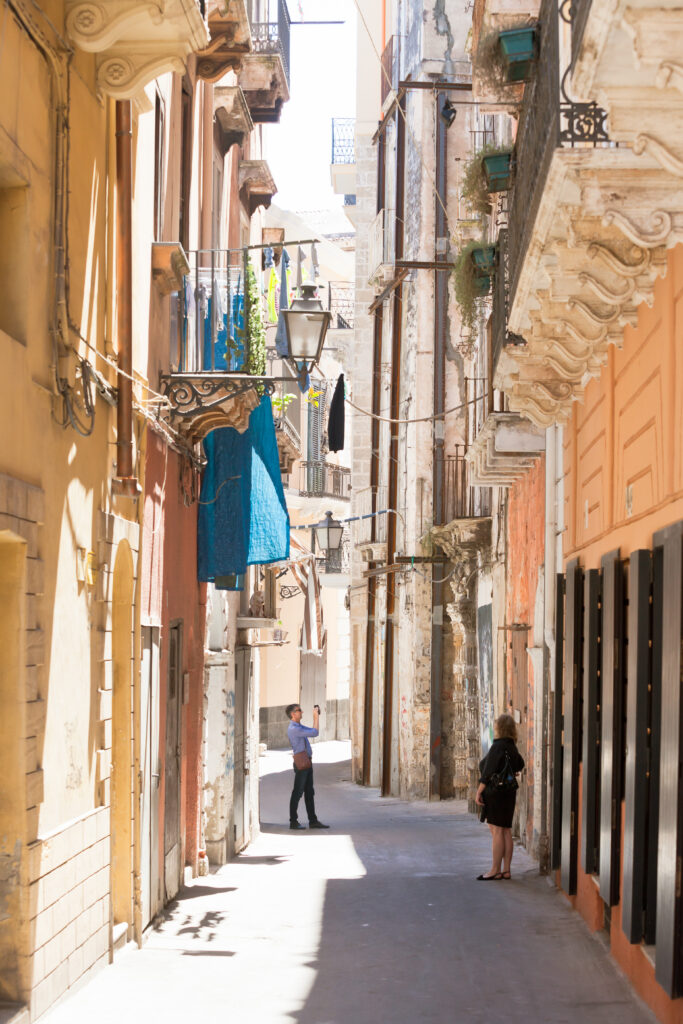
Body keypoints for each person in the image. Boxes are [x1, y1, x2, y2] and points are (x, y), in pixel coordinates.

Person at [475, 713, 525, 880]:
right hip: (509, 792)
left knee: (497, 831)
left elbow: (488, 772)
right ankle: (506, 870)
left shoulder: (497, 746)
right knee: (505, 830)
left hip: (495, 793)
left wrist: (479, 791)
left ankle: (495, 869)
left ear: (499, 728)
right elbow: (520, 763)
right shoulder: (512, 746)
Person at [286, 703, 330, 831]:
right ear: (293, 714)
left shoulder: (298, 726)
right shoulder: (294, 728)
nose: (302, 712)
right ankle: (293, 821)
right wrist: (316, 717)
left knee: (309, 792)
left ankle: (313, 821)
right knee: (297, 793)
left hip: (306, 762)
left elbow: (311, 731)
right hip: (302, 763)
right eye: (299, 710)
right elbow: (315, 732)